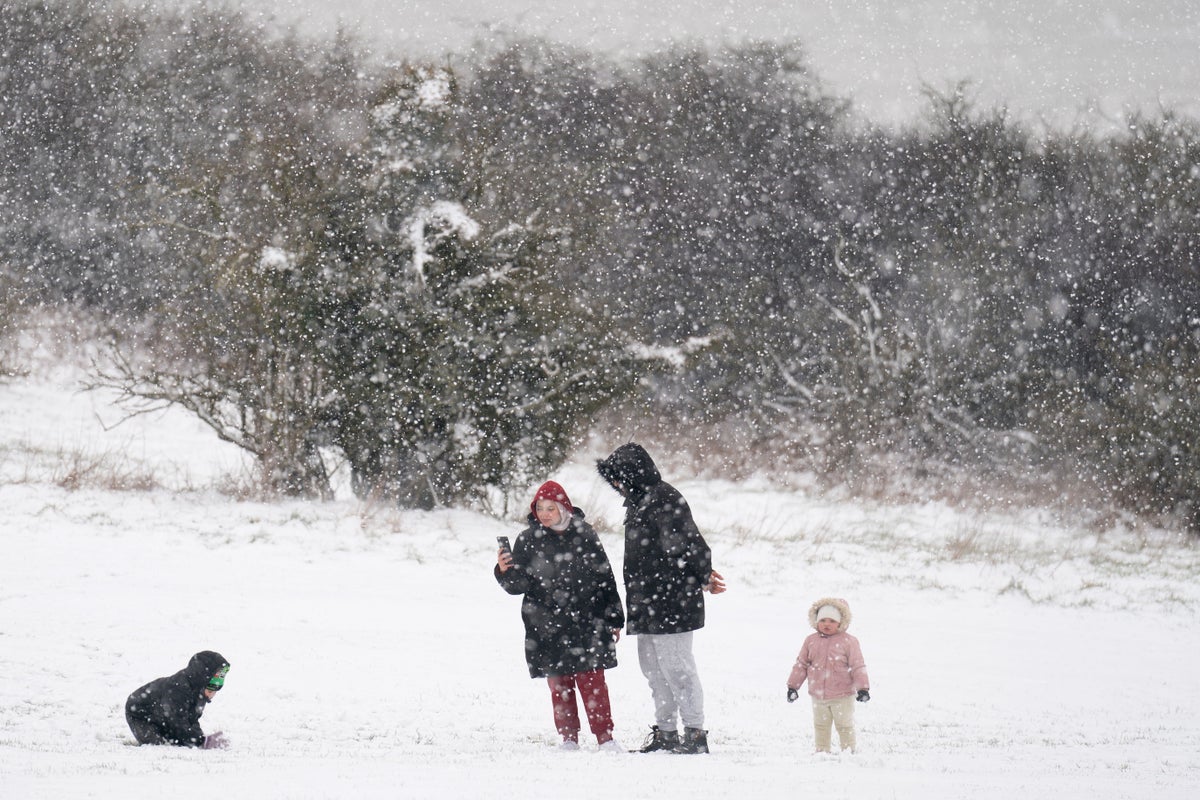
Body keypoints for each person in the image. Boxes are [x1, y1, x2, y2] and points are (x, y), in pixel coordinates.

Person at [596, 442, 725, 755]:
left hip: (673, 602)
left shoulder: (665, 498)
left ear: (633, 474)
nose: (616, 484)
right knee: (653, 670)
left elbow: (689, 544)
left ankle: (694, 734)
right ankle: (666, 732)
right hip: (647, 602)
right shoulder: (639, 502)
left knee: (678, 668)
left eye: (619, 477)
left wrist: (702, 573)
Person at [495, 480, 626, 752]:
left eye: (550, 508)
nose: (544, 514)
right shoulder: (528, 540)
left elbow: (605, 577)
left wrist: (613, 618)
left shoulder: (585, 534)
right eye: (539, 508)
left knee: (593, 683)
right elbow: (518, 587)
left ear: (563, 507)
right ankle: (569, 738)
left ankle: (606, 738)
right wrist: (504, 571)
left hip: (588, 622)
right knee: (560, 685)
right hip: (547, 625)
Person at [786, 597, 871, 754]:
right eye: (823, 620)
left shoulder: (849, 642)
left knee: (844, 724)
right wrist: (793, 687)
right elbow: (801, 664)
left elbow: (857, 666)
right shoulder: (811, 641)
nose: (826, 624)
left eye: (832, 621)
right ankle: (822, 751)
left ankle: (849, 751)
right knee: (820, 724)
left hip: (842, 695)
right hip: (818, 695)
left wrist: (863, 688)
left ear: (841, 622)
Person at [125, 650, 231, 749]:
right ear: (203, 677)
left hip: (163, 715)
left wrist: (199, 737)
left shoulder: (198, 691)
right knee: (158, 745)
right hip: (140, 714)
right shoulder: (178, 689)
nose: (214, 691)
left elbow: (191, 719)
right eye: (212, 687)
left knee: (179, 740)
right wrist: (200, 741)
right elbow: (177, 721)